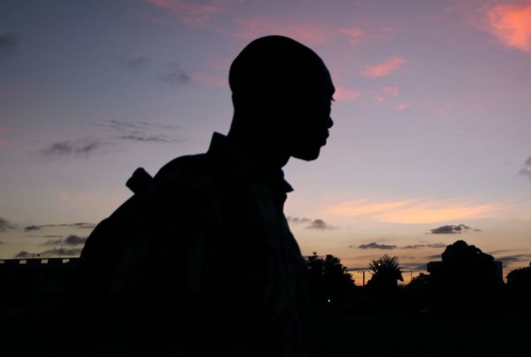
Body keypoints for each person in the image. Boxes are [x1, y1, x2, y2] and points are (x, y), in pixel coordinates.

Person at [66, 36, 335, 356]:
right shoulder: (192, 195)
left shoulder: (261, 200)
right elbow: (143, 335)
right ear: (270, 96)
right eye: (319, 99)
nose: (328, 118)